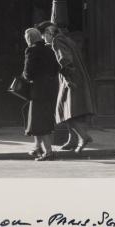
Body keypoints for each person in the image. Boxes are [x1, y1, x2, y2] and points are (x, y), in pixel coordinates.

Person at [36, 21, 95, 153]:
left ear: (48, 33)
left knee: (64, 112)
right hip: (77, 78)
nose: (44, 39)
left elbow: (64, 60)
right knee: (71, 110)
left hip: (70, 80)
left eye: (44, 36)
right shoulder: (67, 40)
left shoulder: (57, 41)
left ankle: (84, 137)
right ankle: (72, 140)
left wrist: (68, 79)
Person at [21, 28, 60, 161]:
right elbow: (56, 68)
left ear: (29, 38)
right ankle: (37, 147)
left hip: (37, 90)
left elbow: (28, 73)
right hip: (50, 89)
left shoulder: (31, 50)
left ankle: (48, 152)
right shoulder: (49, 49)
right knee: (39, 119)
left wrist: (26, 77)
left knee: (40, 121)